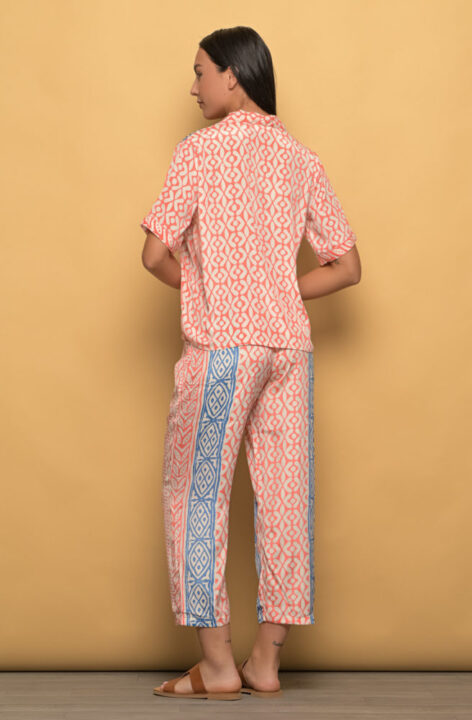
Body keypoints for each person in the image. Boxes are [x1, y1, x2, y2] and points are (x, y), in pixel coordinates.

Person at [140, 26, 361, 700]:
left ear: (233, 74)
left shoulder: (198, 151)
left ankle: (216, 667)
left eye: (201, 71)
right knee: (287, 498)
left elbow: (154, 254)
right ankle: (266, 662)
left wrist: (211, 290)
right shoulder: (301, 158)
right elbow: (346, 266)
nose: (194, 86)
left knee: (195, 494)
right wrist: (275, 291)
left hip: (224, 345)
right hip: (288, 347)